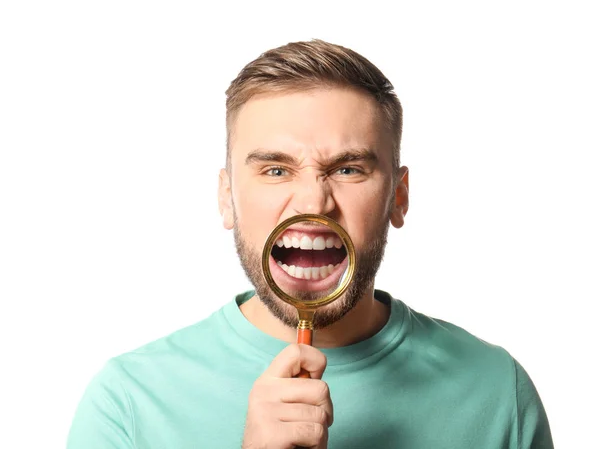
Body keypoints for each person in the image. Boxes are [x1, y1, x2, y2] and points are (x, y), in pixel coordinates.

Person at [67, 39, 554, 448]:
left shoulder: (497, 392)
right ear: (227, 197)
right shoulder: (128, 402)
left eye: (348, 169)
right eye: (275, 170)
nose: (312, 202)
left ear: (398, 197)